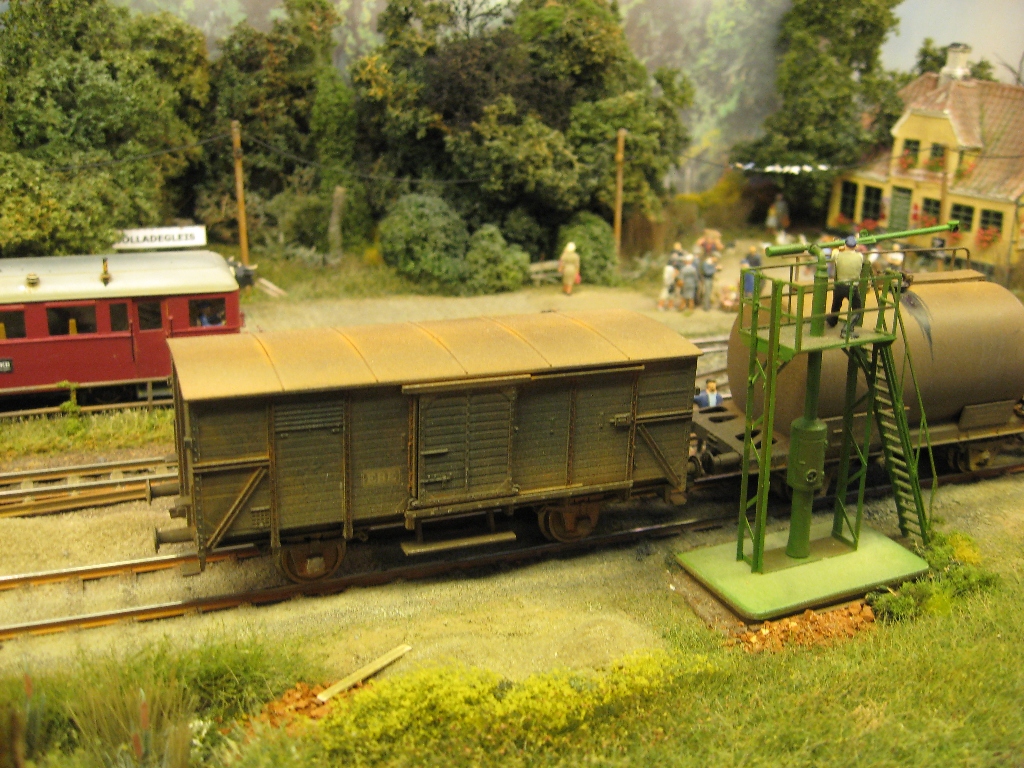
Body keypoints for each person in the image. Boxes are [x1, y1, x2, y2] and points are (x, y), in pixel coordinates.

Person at [827, 235, 865, 337]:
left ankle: (832, 320)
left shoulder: (838, 255)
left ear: (845, 245)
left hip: (839, 285)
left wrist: (839, 246)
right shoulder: (860, 256)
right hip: (852, 287)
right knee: (857, 309)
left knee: (836, 304)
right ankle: (847, 330)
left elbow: (834, 252)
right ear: (855, 246)